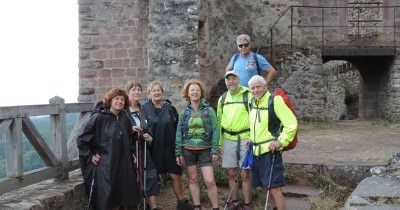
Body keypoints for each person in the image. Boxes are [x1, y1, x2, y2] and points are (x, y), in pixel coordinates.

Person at [77, 88, 138, 210]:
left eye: (122, 99)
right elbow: (83, 139)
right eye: (116, 99)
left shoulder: (124, 118)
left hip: (122, 165)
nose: (119, 102)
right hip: (106, 166)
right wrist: (90, 155)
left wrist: (131, 153)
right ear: (110, 100)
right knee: (107, 200)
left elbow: (128, 138)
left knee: (119, 198)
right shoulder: (99, 118)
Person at [248, 75, 298, 210]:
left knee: (274, 188)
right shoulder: (252, 102)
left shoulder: (274, 101)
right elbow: (256, 125)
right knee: (265, 187)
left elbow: (291, 123)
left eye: (258, 87)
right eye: (252, 88)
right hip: (256, 152)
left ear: (265, 87)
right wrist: (251, 139)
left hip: (271, 152)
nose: (256, 90)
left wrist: (281, 141)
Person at [141, 81, 192, 210]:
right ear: (149, 93)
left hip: (170, 146)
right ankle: (153, 206)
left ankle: (181, 203)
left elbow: (177, 127)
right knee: (152, 177)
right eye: (154, 91)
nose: (157, 93)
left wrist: (179, 148)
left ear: (162, 92)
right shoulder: (145, 108)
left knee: (175, 174)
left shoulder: (170, 108)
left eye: (159, 90)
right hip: (153, 148)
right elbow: (144, 127)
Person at [175, 79, 220, 210]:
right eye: (192, 90)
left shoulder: (209, 110)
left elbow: (215, 130)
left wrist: (214, 150)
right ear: (187, 94)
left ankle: (215, 207)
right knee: (193, 179)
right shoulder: (184, 113)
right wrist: (178, 152)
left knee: (210, 181)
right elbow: (179, 132)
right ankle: (197, 206)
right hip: (188, 150)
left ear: (201, 93)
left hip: (205, 150)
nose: (194, 92)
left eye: (197, 90)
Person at [217, 71, 252, 210]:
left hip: (245, 138)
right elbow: (219, 122)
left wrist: (252, 137)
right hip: (227, 138)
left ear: (239, 79)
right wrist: (219, 143)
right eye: (228, 80)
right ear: (225, 82)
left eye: (233, 79)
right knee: (231, 172)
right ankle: (235, 202)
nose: (231, 82)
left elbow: (254, 117)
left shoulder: (247, 95)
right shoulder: (223, 98)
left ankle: (248, 204)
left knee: (245, 173)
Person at [126, 81, 160, 210]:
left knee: (150, 176)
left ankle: (153, 207)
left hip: (144, 150)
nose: (136, 92)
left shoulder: (143, 110)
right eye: (133, 90)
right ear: (128, 92)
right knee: (133, 179)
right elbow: (119, 129)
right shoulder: (124, 111)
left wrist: (149, 136)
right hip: (131, 151)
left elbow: (149, 128)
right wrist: (130, 130)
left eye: (139, 90)